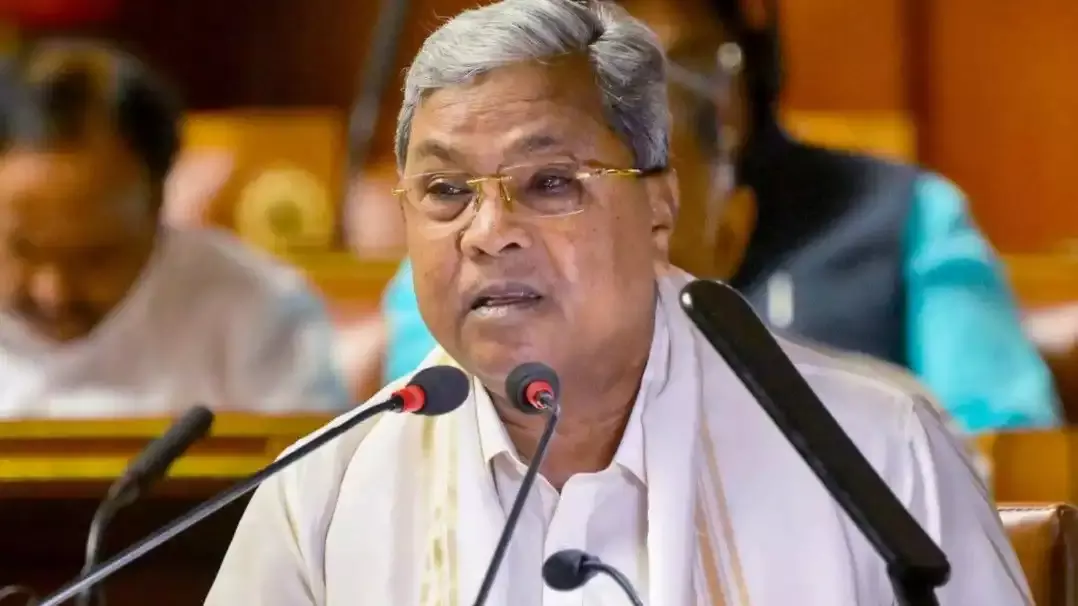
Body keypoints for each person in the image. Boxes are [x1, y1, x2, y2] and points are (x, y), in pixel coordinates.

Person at [206, 2, 1029, 604]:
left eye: (550, 182)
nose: (488, 233)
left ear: (660, 207)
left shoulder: (877, 457)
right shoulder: (323, 495)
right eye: (446, 190)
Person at [379, 0, 1060, 435]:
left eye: (682, 63)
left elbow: (1004, 444)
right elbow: (442, 426)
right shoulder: (481, 235)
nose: (646, 99)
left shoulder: (900, 213)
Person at [0, 41, 350, 417]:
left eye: (94, 258)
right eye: (23, 249)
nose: (53, 292)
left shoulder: (261, 311)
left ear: (158, 201)